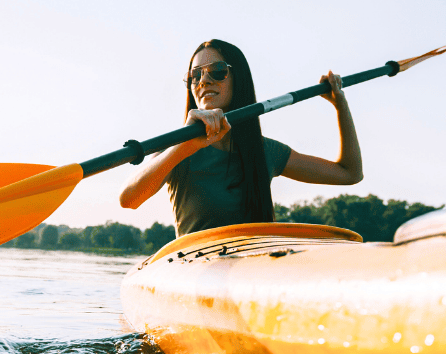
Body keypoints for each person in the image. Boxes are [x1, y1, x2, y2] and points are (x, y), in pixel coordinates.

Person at [118, 39, 364, 237]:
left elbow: (350, 173)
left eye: (217, 71)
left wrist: (341, 106)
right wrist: (185, 146)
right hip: (196, 269)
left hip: (253, 268)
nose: (203, 80)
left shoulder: (266, 151)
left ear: (239, 80)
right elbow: (129, 199)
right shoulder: (176, 149)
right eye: (195, 75)